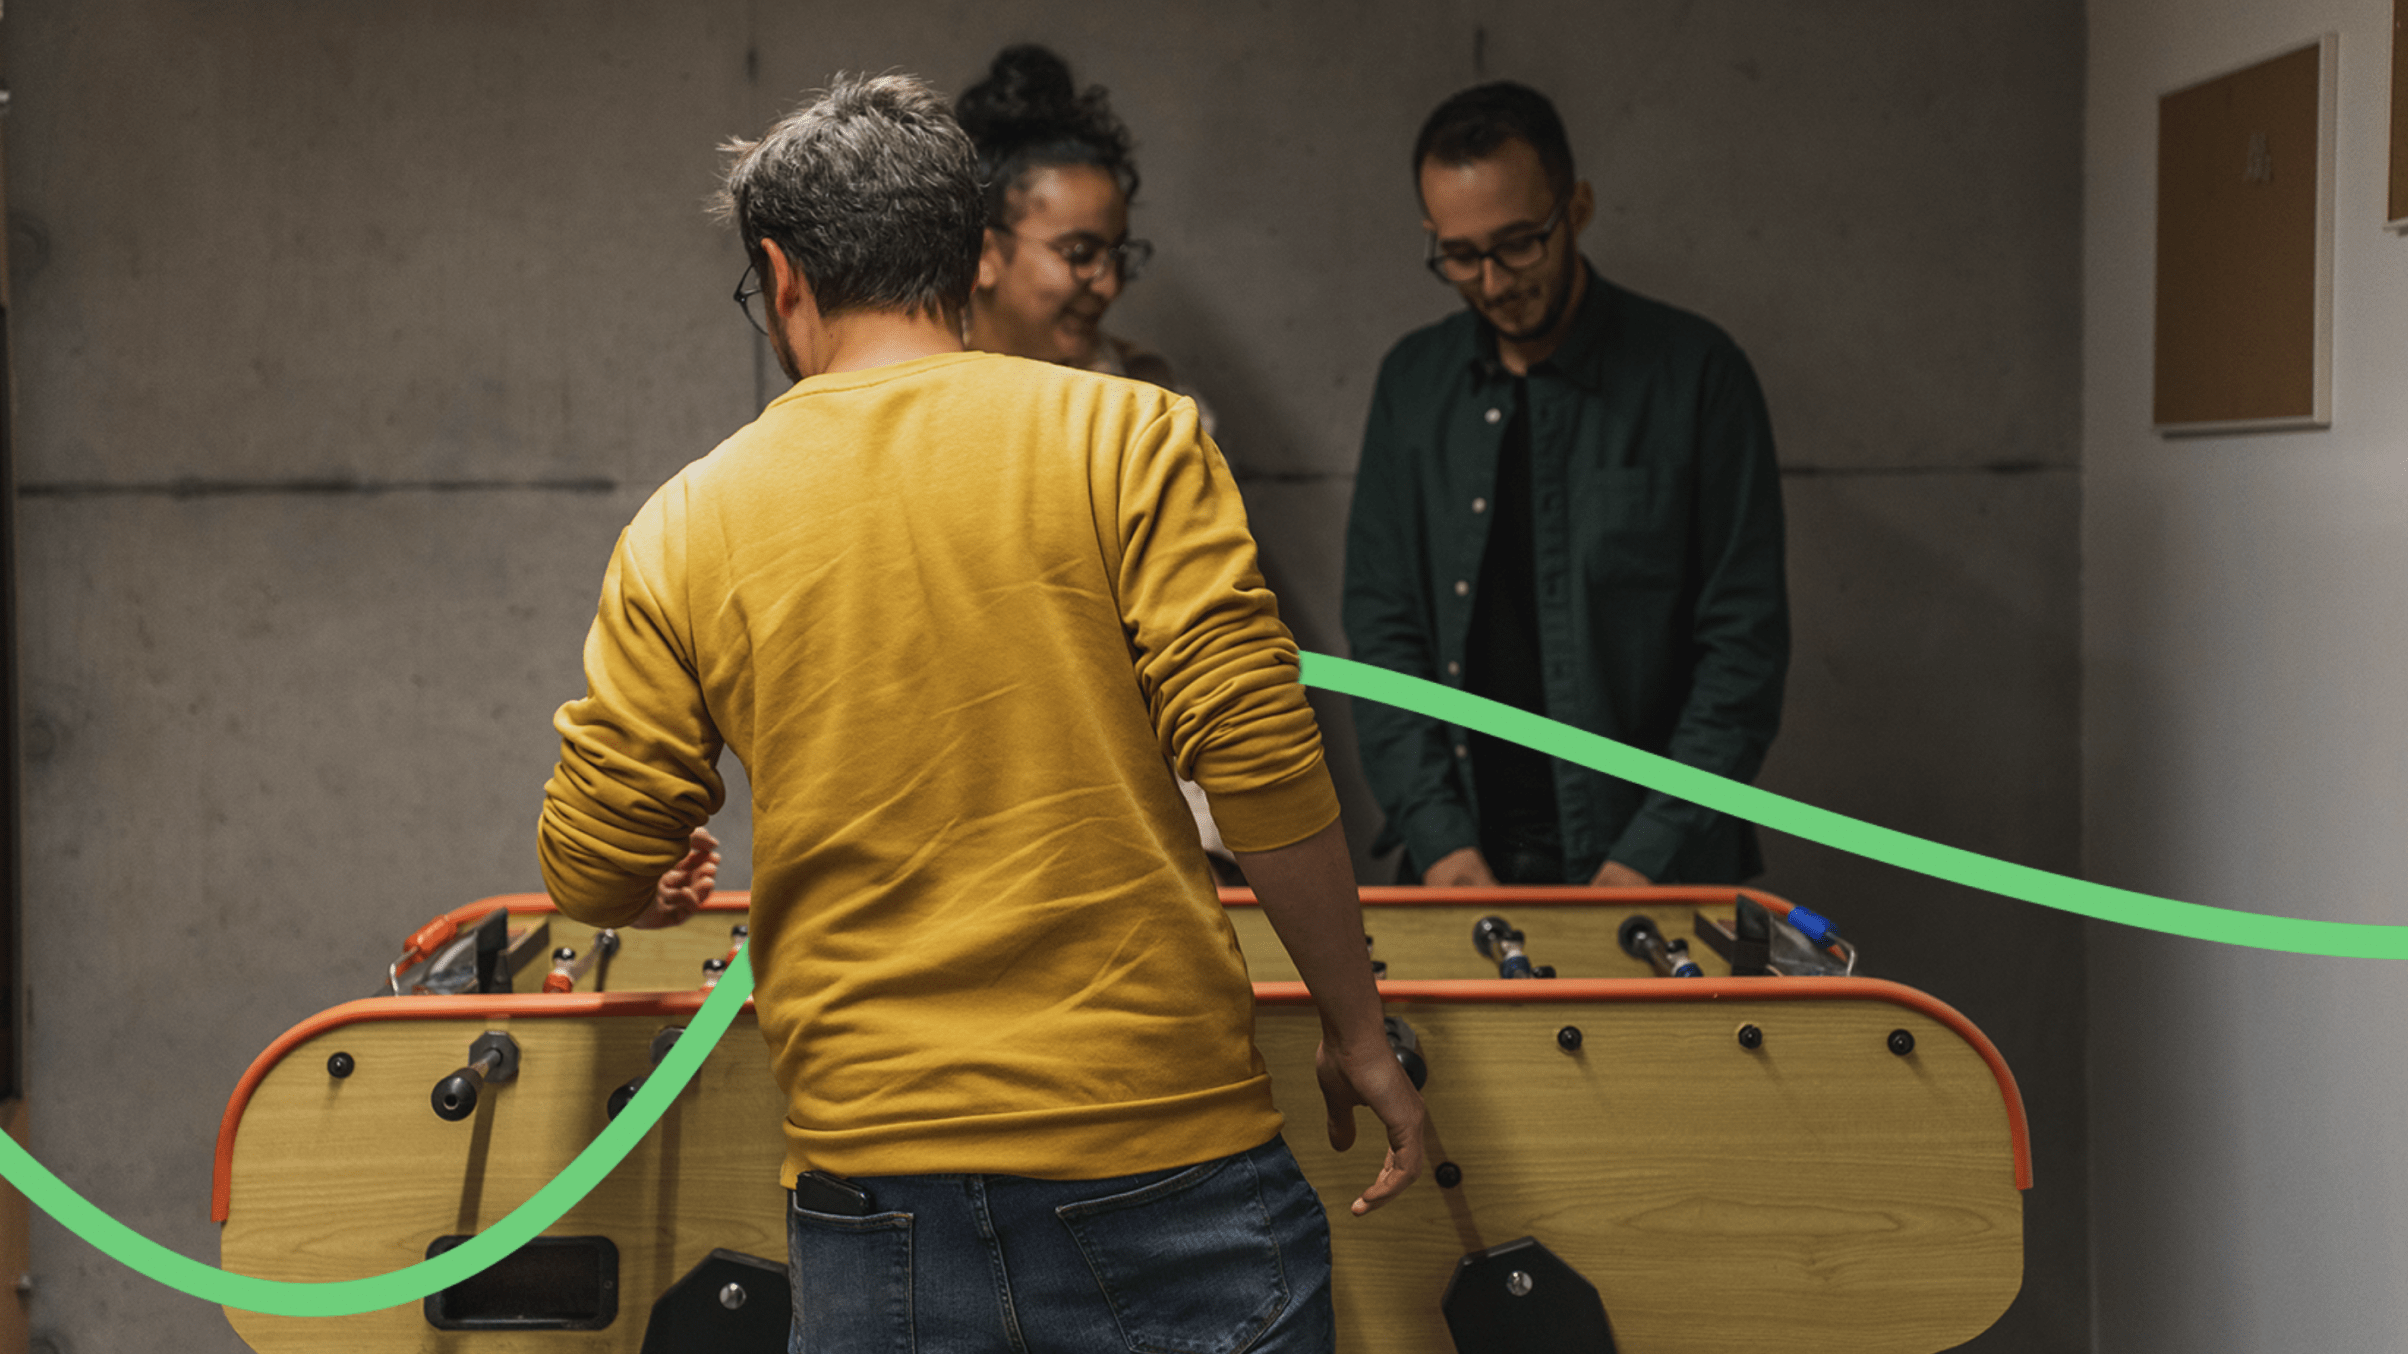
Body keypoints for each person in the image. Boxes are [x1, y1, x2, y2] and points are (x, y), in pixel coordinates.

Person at [536, 74, 1423, 1352]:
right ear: (965, 255)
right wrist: (1356, 1032)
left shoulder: (686, 522)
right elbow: (1259, 760)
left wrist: (642, 880)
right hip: (1170, 1163)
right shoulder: (1136, 437)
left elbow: (589, 863)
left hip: (875, 1203)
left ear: (782, 276)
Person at [1342, 81, 1789, 890]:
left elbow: (1742, 652)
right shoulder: (1412, 384)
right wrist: (1439, 840)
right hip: (1463, 864)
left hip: (1662, 867)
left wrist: (1649, 853)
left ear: (1575, 208)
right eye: (1460, 255)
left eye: (1518, 244)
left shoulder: (1698, 375)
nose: (1493, 280)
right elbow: (1383, 636)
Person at [955, 43, 1236, 876]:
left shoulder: (1162, 416)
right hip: (959, 864)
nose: (1107, 282)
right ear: (982, 247)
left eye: (1118, 252)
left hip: (1143, 862)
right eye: (1079, 252)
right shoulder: (892, 411)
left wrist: (1215, 852)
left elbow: (1208, 667)